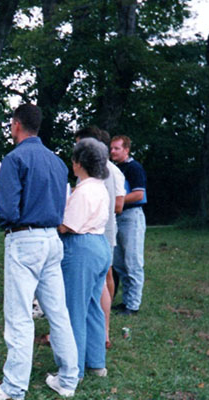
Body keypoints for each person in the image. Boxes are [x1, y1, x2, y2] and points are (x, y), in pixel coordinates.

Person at [0, 104, 78, 400]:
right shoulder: (58, 162)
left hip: (25, 240)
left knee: (19, 314)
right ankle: (68, 378)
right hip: (52, 238)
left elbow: (7, 209)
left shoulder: (14, 159)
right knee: (58, 312)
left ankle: (14, 387)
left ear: (16, 125)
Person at [60, 138, 111, 379]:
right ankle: (96, 361)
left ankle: (74, 369)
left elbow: (67, 225)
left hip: (81, 248)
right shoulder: (100, 186)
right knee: (93, 306)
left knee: (74, 309)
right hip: (100, 244)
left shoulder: (83, 191)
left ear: (80, 162)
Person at [73, 126, 125, 348]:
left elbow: (117, 205)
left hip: (96, 231)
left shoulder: (105, 171)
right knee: (102, 281)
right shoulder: (101, 170)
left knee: (102, 282)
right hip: (97, 230)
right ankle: (100, 334)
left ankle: (101, 332)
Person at [110, 135, 147, 315]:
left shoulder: (134, 168)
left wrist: (116, 200)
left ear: (126, 150)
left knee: (133, 261)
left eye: (117, 148)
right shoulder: (116, 169)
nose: (113, 152)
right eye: (111, 148)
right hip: (118, 217)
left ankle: (133, 305)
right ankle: (125, 302)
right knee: (119, 262)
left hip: (131, 217)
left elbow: (139, 195)